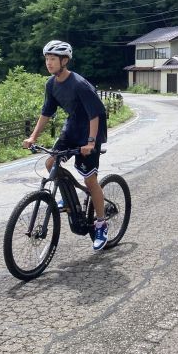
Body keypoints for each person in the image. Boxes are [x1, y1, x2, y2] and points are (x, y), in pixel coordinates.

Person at [23, 40, 110, 251]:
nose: (48, 63)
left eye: (53, 59)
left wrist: (90, 142)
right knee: (50, 162)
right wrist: (33, 137)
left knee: (90, 181)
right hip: (71, 130)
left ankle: (101, 224)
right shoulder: (51, 84)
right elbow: (47, 112)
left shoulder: (79, 84)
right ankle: (69, 199)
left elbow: (95, 114)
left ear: (64, 61)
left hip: (90, 133)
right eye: (47, 59)